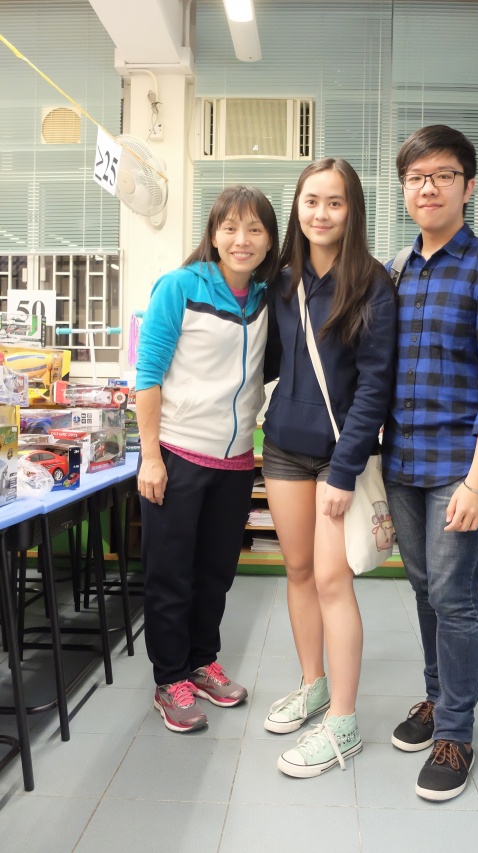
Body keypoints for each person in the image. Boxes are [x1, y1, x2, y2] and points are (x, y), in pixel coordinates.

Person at [382, 125, 478, 801]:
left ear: (468, 187)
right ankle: (438, 697)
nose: (428, 187)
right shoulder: (396, 271)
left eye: (442, 175)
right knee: (423, 590)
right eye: (416, 177)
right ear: (404, 189)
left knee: (455, 596)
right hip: (403, 461)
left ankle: (457, 733)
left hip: (458, 467)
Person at [261, 158, 397, 777]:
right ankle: (312, 684)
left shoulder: (371, 283)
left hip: (340, 457)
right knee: (297, 571)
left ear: (352, 210)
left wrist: (343, 473)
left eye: (334, 202)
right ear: (297, 206)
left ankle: (343, 723)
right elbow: (270, 360)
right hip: (283, 447)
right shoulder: (282, 279)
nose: (321, 213)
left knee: (332, 582)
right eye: (311, 200)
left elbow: (374, 387)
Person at [136, 185, 280, 733]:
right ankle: (169, 679)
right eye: (230, 228)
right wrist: (151, 457)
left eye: (255, 229)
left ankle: (201, 663)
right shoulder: (180, 287)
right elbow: (148, 376)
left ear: (270, 240)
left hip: (237, 461)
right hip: (177, 454)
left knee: (215, 575)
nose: (242, 240)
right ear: (214, 234)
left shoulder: (266, 298)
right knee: (170, 575)